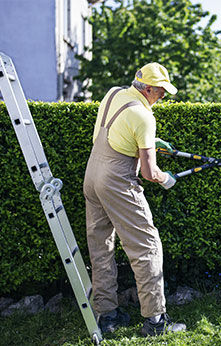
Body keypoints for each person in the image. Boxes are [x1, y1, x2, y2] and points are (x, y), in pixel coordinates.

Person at [83, 62, 186, 337]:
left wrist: (150, 141)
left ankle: (107, 314)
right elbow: (150, 173)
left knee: (101, 245)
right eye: (161, 92)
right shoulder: (144, 116)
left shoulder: (115, 93)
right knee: (146, 246)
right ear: (149, 89)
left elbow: (120, 130)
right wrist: (166, 179)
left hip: (92, 175)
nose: (163, 97)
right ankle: (155, 321)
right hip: (116, 181)